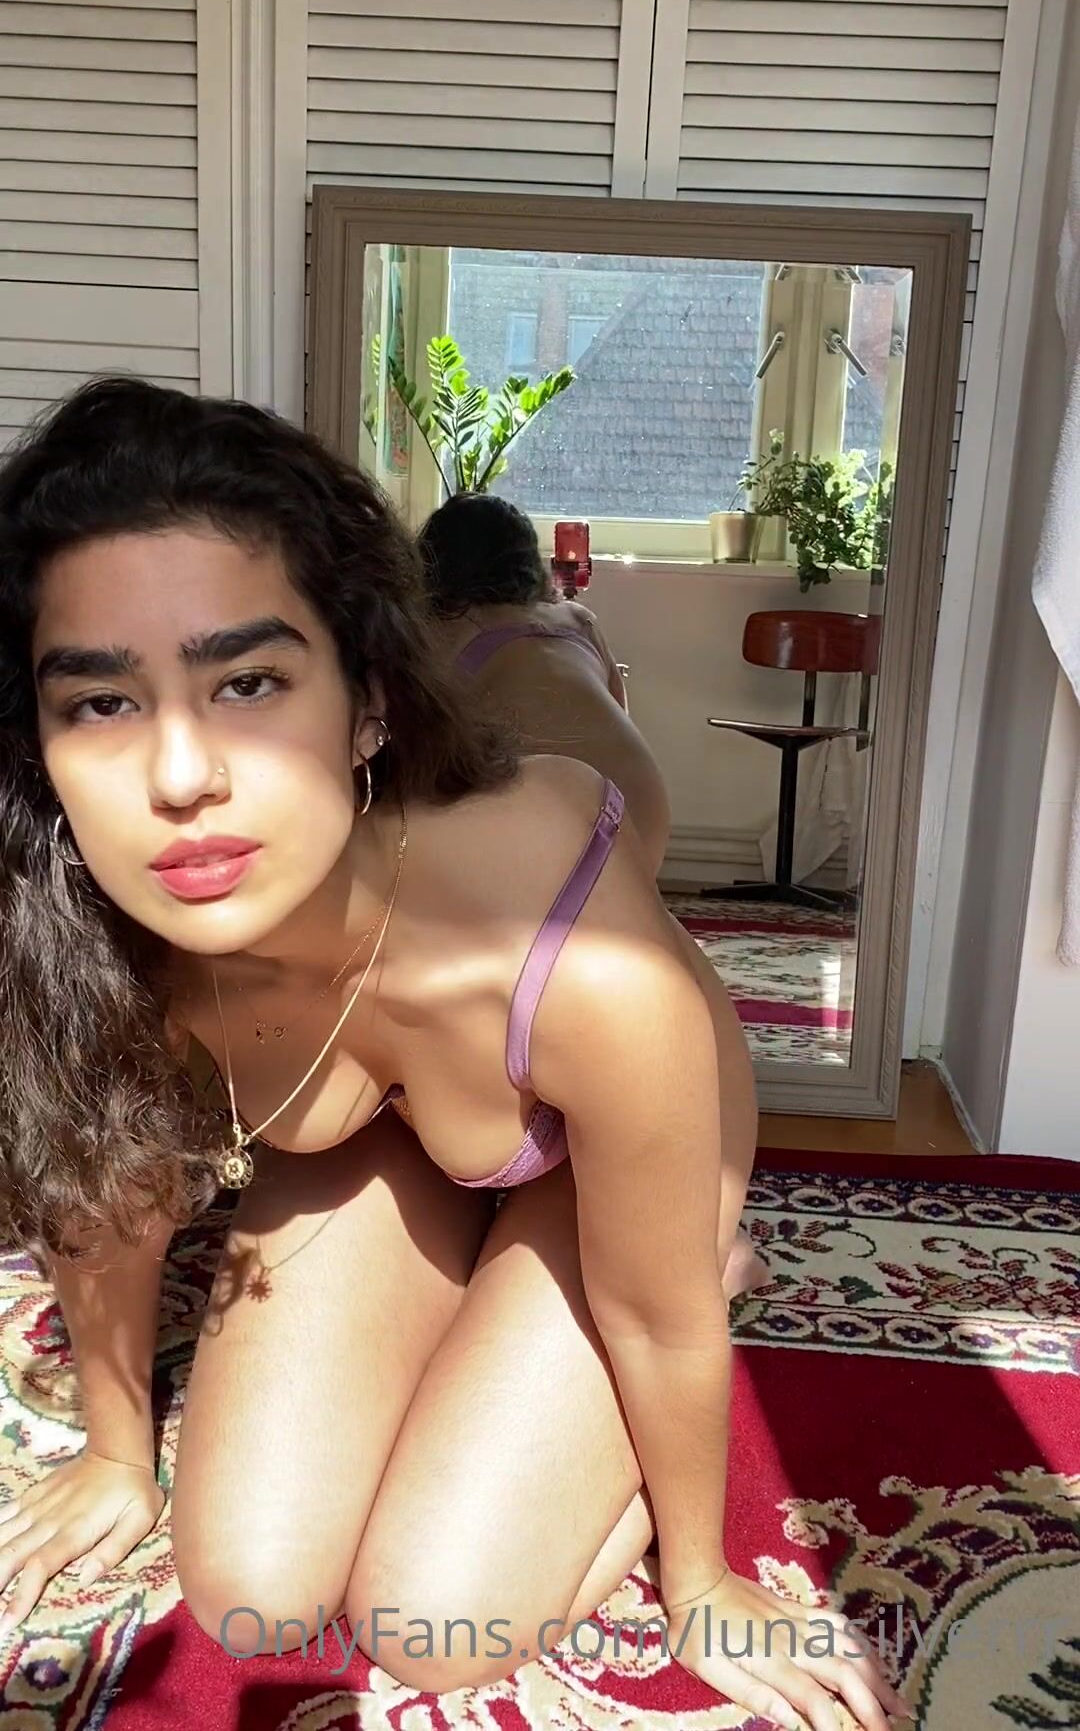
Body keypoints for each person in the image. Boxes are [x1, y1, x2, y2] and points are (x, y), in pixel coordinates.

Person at [0, 378, 908, 1728]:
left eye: (248, 683)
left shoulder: (587, 971)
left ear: (367, 704)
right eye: (101, 704)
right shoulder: (90, 928)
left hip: (588, 1120)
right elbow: (108, 1193)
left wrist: (704, 1576)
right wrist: (121, 1454)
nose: (180, 779)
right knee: (251, 1585)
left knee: (434, 1623)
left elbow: (655, 1323)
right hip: (387, 1130)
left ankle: (699, 1238)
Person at [418, 493, 672, 876]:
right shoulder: (579, 620)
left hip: (541, 827)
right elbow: (621, 711)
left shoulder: (444, 631)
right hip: (641, 812)